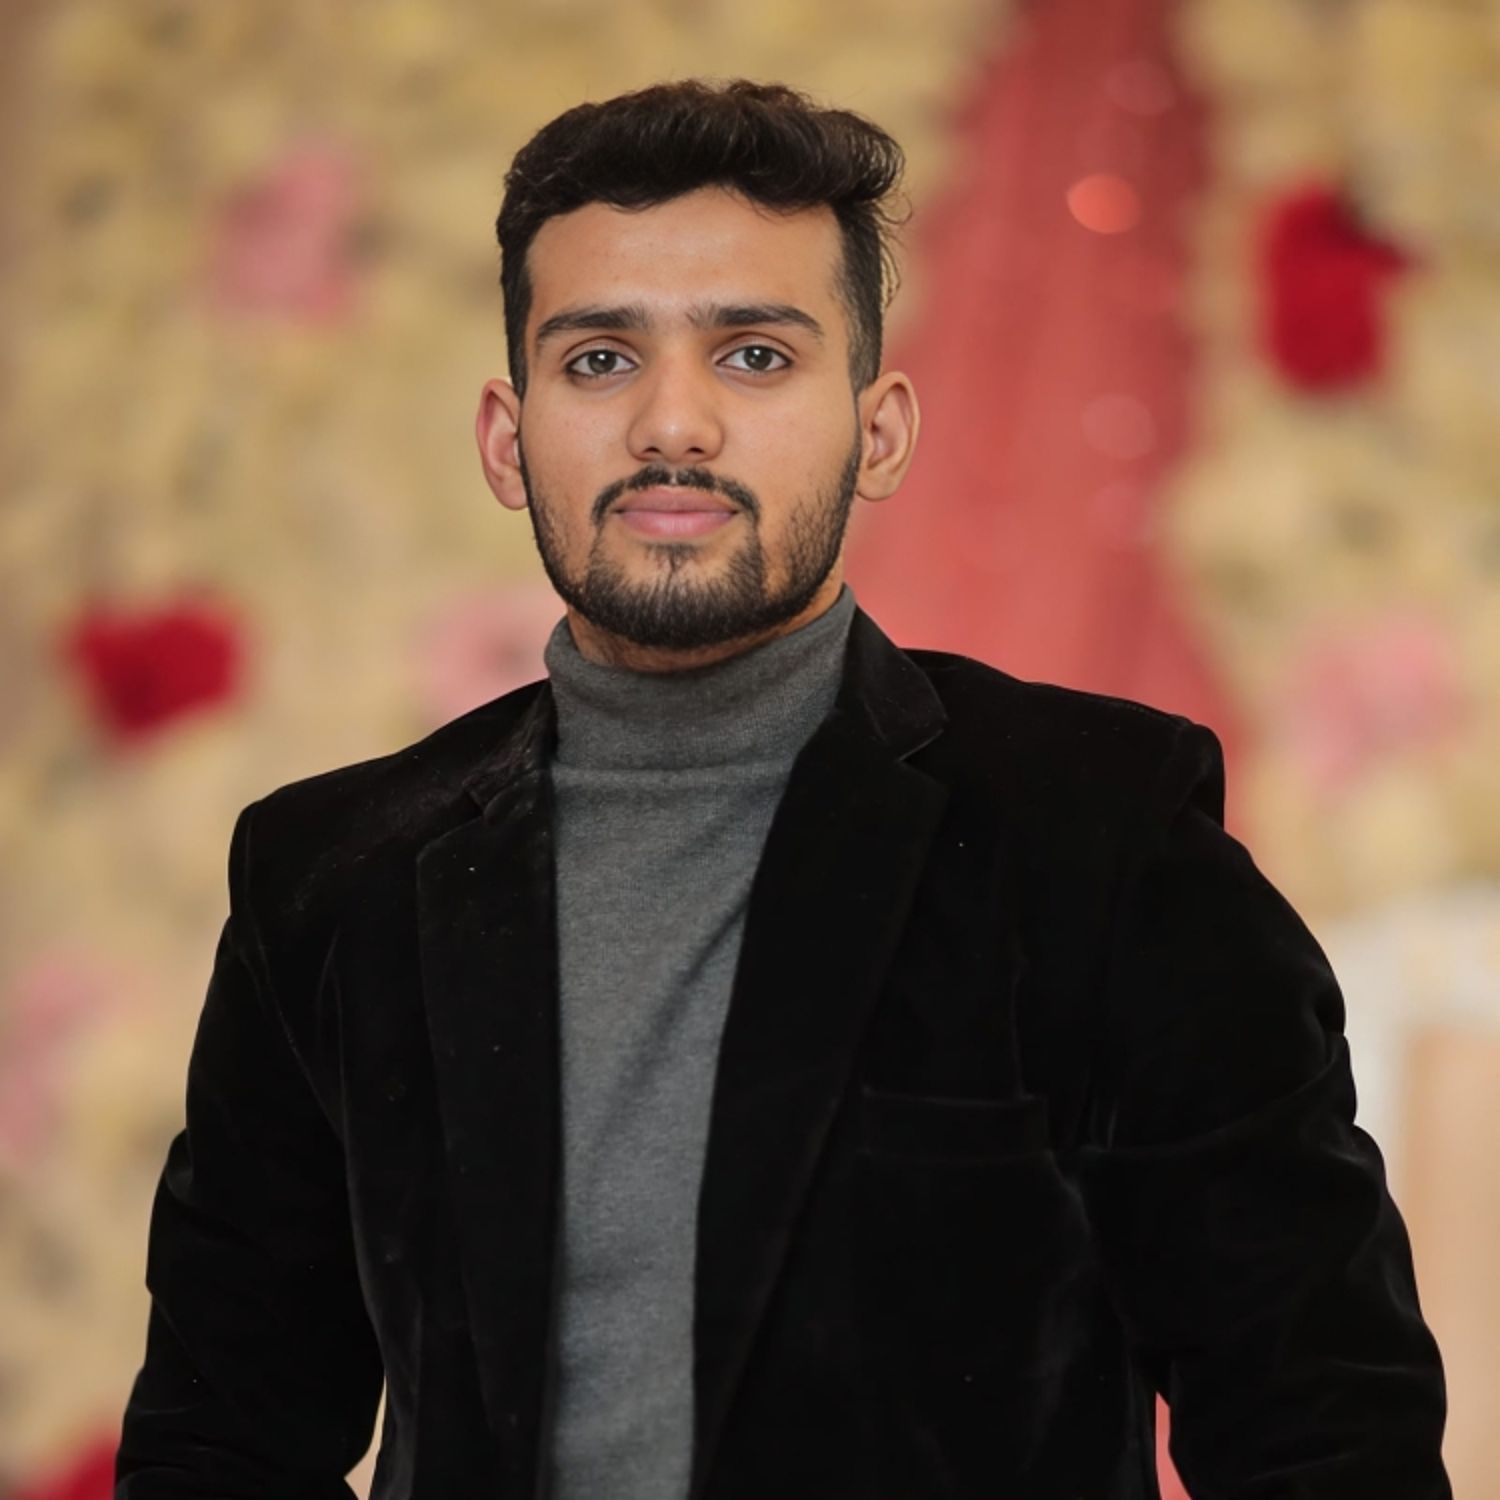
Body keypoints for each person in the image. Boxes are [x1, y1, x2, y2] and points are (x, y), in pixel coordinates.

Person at [116, 78, 1450, 1500]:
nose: (673, 424)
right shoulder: (333, 877)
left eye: (753, 355)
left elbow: (1324, 1433)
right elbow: (222, 1443)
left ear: (880, 431)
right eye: (600, 359)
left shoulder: (1103, 838)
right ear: (507, 439)